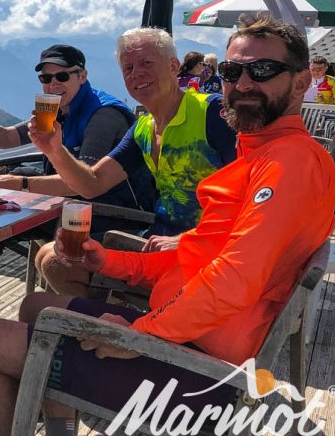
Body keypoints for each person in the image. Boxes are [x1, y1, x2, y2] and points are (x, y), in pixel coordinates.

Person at [0, 14, 335, 436]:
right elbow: (197, 252)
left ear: (300, 83)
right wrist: (110, 263)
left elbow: (234, 278)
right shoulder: (259, 153)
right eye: (231, 72)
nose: (241, 85)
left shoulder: (286, 162)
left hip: (203, 370)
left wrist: (136, 334)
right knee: (36, 307)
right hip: (188, 333)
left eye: (261, 71)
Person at [0, 44, 156, 345]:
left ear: (82, 76)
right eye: (46, 79)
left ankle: (94, 324)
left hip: (108, 215)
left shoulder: (103, 115)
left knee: (0, 222)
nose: (53, 84)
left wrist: (21, 183)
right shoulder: (56, 108)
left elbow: (83, 184)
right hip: (68, 209)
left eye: (62, 76)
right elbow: (6, 138)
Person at [31, 28, 237, 296]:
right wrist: (54, 150)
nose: (136, 73)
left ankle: (114, 325)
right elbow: (92, 184)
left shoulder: (213, 114)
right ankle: (108, 323)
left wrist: (188, 239)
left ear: (174, 66)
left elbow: (253, 197)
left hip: (207, 255)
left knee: (50, 269)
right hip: (156, 245)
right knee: (54, 258)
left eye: (146, 63)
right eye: (128, 67)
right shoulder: (143, 128)